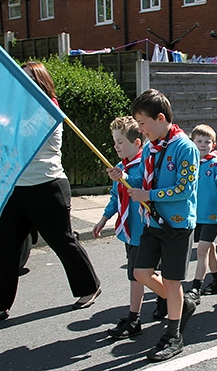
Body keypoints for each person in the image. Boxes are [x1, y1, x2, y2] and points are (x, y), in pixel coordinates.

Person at [0, 62, 101, 324]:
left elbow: (21, 139)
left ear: (41, 81)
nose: (23, 82)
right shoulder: (14, 111)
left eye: (29, 77)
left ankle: (89, 287)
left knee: (62, 240)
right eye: (21, 78)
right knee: (5, 246)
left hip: (47, 186)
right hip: (16, 188)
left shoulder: (50, 111)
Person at [118, 88, 199, 361]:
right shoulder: (153, 147)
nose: (140, 130)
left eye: (142, 123)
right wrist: (124, 176)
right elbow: (143, 180)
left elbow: (185, 189)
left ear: (160, 117)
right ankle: (183, 303)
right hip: (152, 222)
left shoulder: (185, 147)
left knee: (171, 280)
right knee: (141, 272)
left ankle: (174, 334)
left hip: (176, 224)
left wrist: (149, 195)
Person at [93, 116, 146, 339]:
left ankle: (134, 318)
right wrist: (104, 218)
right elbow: (116, 196)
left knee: (138, 274)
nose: (116, 146)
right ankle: (165, 300)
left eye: (120, 142)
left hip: (144, 229)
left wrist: (124, 177)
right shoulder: (119, 168)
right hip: (129, 229)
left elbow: (142, 184)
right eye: (114, 142)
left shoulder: (145, 163)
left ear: (137, 143)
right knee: (141, 274)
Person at [185, 124, 217, 304]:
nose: (203, 145)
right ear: (193, 142)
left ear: (213, 144)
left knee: (202, 250)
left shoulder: (216, 165)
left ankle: (196, 286)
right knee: (210, 248)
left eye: (207, 142)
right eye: (199, 141)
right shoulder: (189, 163)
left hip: (212, 215)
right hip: (194, 215)